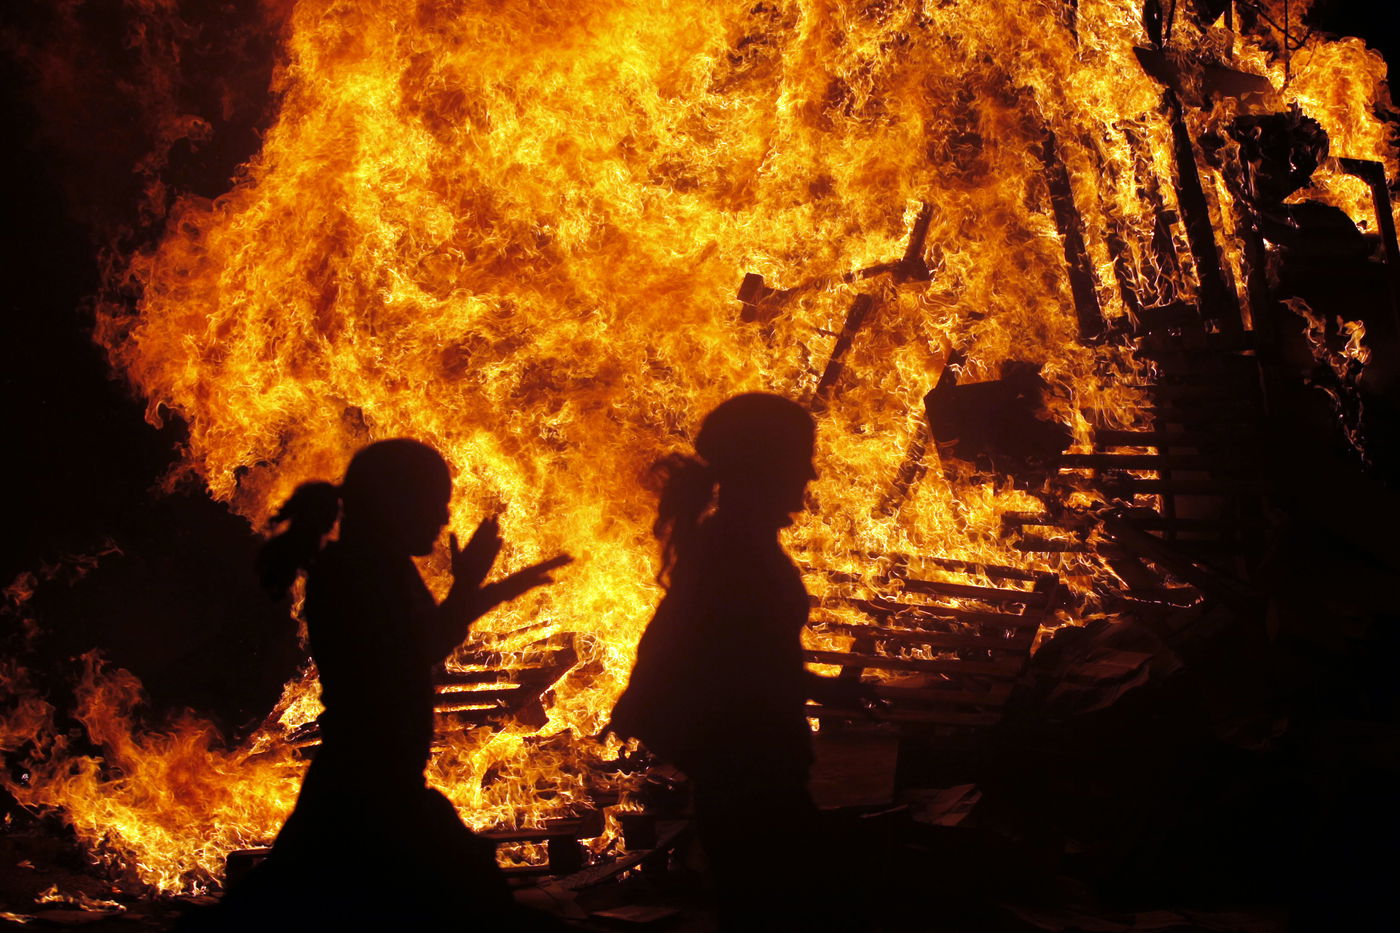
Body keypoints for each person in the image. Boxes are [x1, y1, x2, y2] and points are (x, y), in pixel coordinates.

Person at [206, 438, 569, 931]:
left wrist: (491, 589)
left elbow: (416, 646)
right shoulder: (358, 570)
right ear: (394, 504)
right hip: (368, 788)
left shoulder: (374, 565)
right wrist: (470, 588)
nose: (443, 519)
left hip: (371, 785)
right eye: (435, 504)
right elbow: (410, 657)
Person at [610, 393, 869, 931]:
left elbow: (740, 654)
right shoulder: (734, 552)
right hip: (748, 770)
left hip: (748, 767)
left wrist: (818, 688)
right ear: (768, 466)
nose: (812, 472)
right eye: (801, 457)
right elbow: (732, 670)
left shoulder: (734, 543)